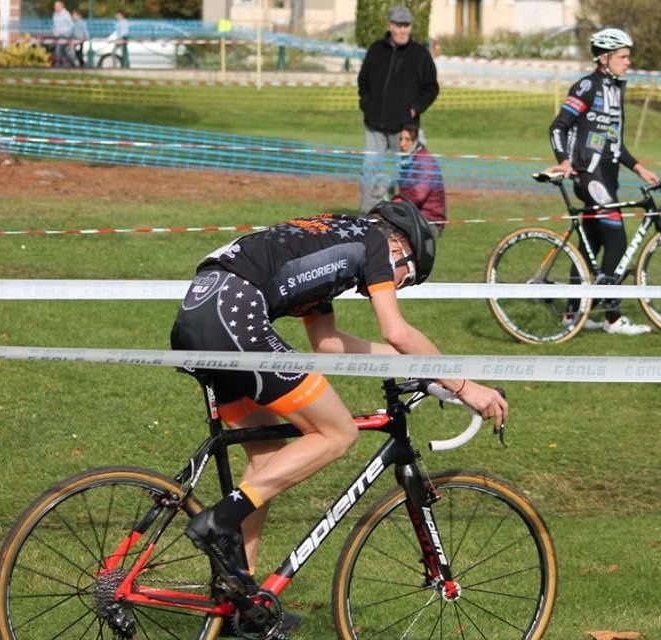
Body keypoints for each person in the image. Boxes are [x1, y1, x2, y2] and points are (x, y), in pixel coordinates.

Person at [170, 200, 507, 607]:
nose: (398, 286)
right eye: (408, 277)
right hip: (234, 314)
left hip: (201, 312)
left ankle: (239, 600)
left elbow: (328, 345)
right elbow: (397, 332)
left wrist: (425, 371)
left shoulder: (331, 245)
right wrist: (466, 387)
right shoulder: (375, 241)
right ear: (400, 248)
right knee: (337, 432)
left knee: (268, 455)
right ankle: (220, 519)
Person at [545, 27, 660, 336]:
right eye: (623, 56)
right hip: (589, 177)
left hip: (608, 178)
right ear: (605, 58)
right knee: (617, 241)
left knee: (590, 248)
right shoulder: (586, 87)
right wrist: (564, 160)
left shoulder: (615, 90)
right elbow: (558, 127)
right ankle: (612, 317)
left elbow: (614, 143)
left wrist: (639, 168)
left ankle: (572, 315)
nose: (628, 62)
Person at [357, 5, 439, 214]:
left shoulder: (420, 54)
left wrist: (414, 109)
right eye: (398, 25)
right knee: (369, 171)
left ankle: (405, 218)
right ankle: (366, 216)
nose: (402, 30)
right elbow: (363, 80)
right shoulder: (376, 50)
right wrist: (366, 104)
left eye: (406, 26)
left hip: (404, 129)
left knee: (406, 175)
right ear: (389, 26)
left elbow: (431, 88)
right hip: (374, 126)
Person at [396, 123, 446, 235]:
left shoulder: (426, 163)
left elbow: (418, 195)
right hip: (414, 214)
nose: (402, 144)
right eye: (401, 139)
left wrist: (398, 203)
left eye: (407, 140)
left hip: (429, 219)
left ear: (417, 142)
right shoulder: (408, 160)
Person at [50, 1, 74, 68]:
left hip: (65, 36)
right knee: (63, 51)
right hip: (57, 36)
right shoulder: (55, 14)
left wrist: (63, 32)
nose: (55, 7)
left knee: (59, 49)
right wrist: (54, 32)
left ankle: (58, 64)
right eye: (55, 6)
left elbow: (71, 25)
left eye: (57, 6)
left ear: (61, 6)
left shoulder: (66, 14)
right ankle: (72, 63)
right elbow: (55, 26)